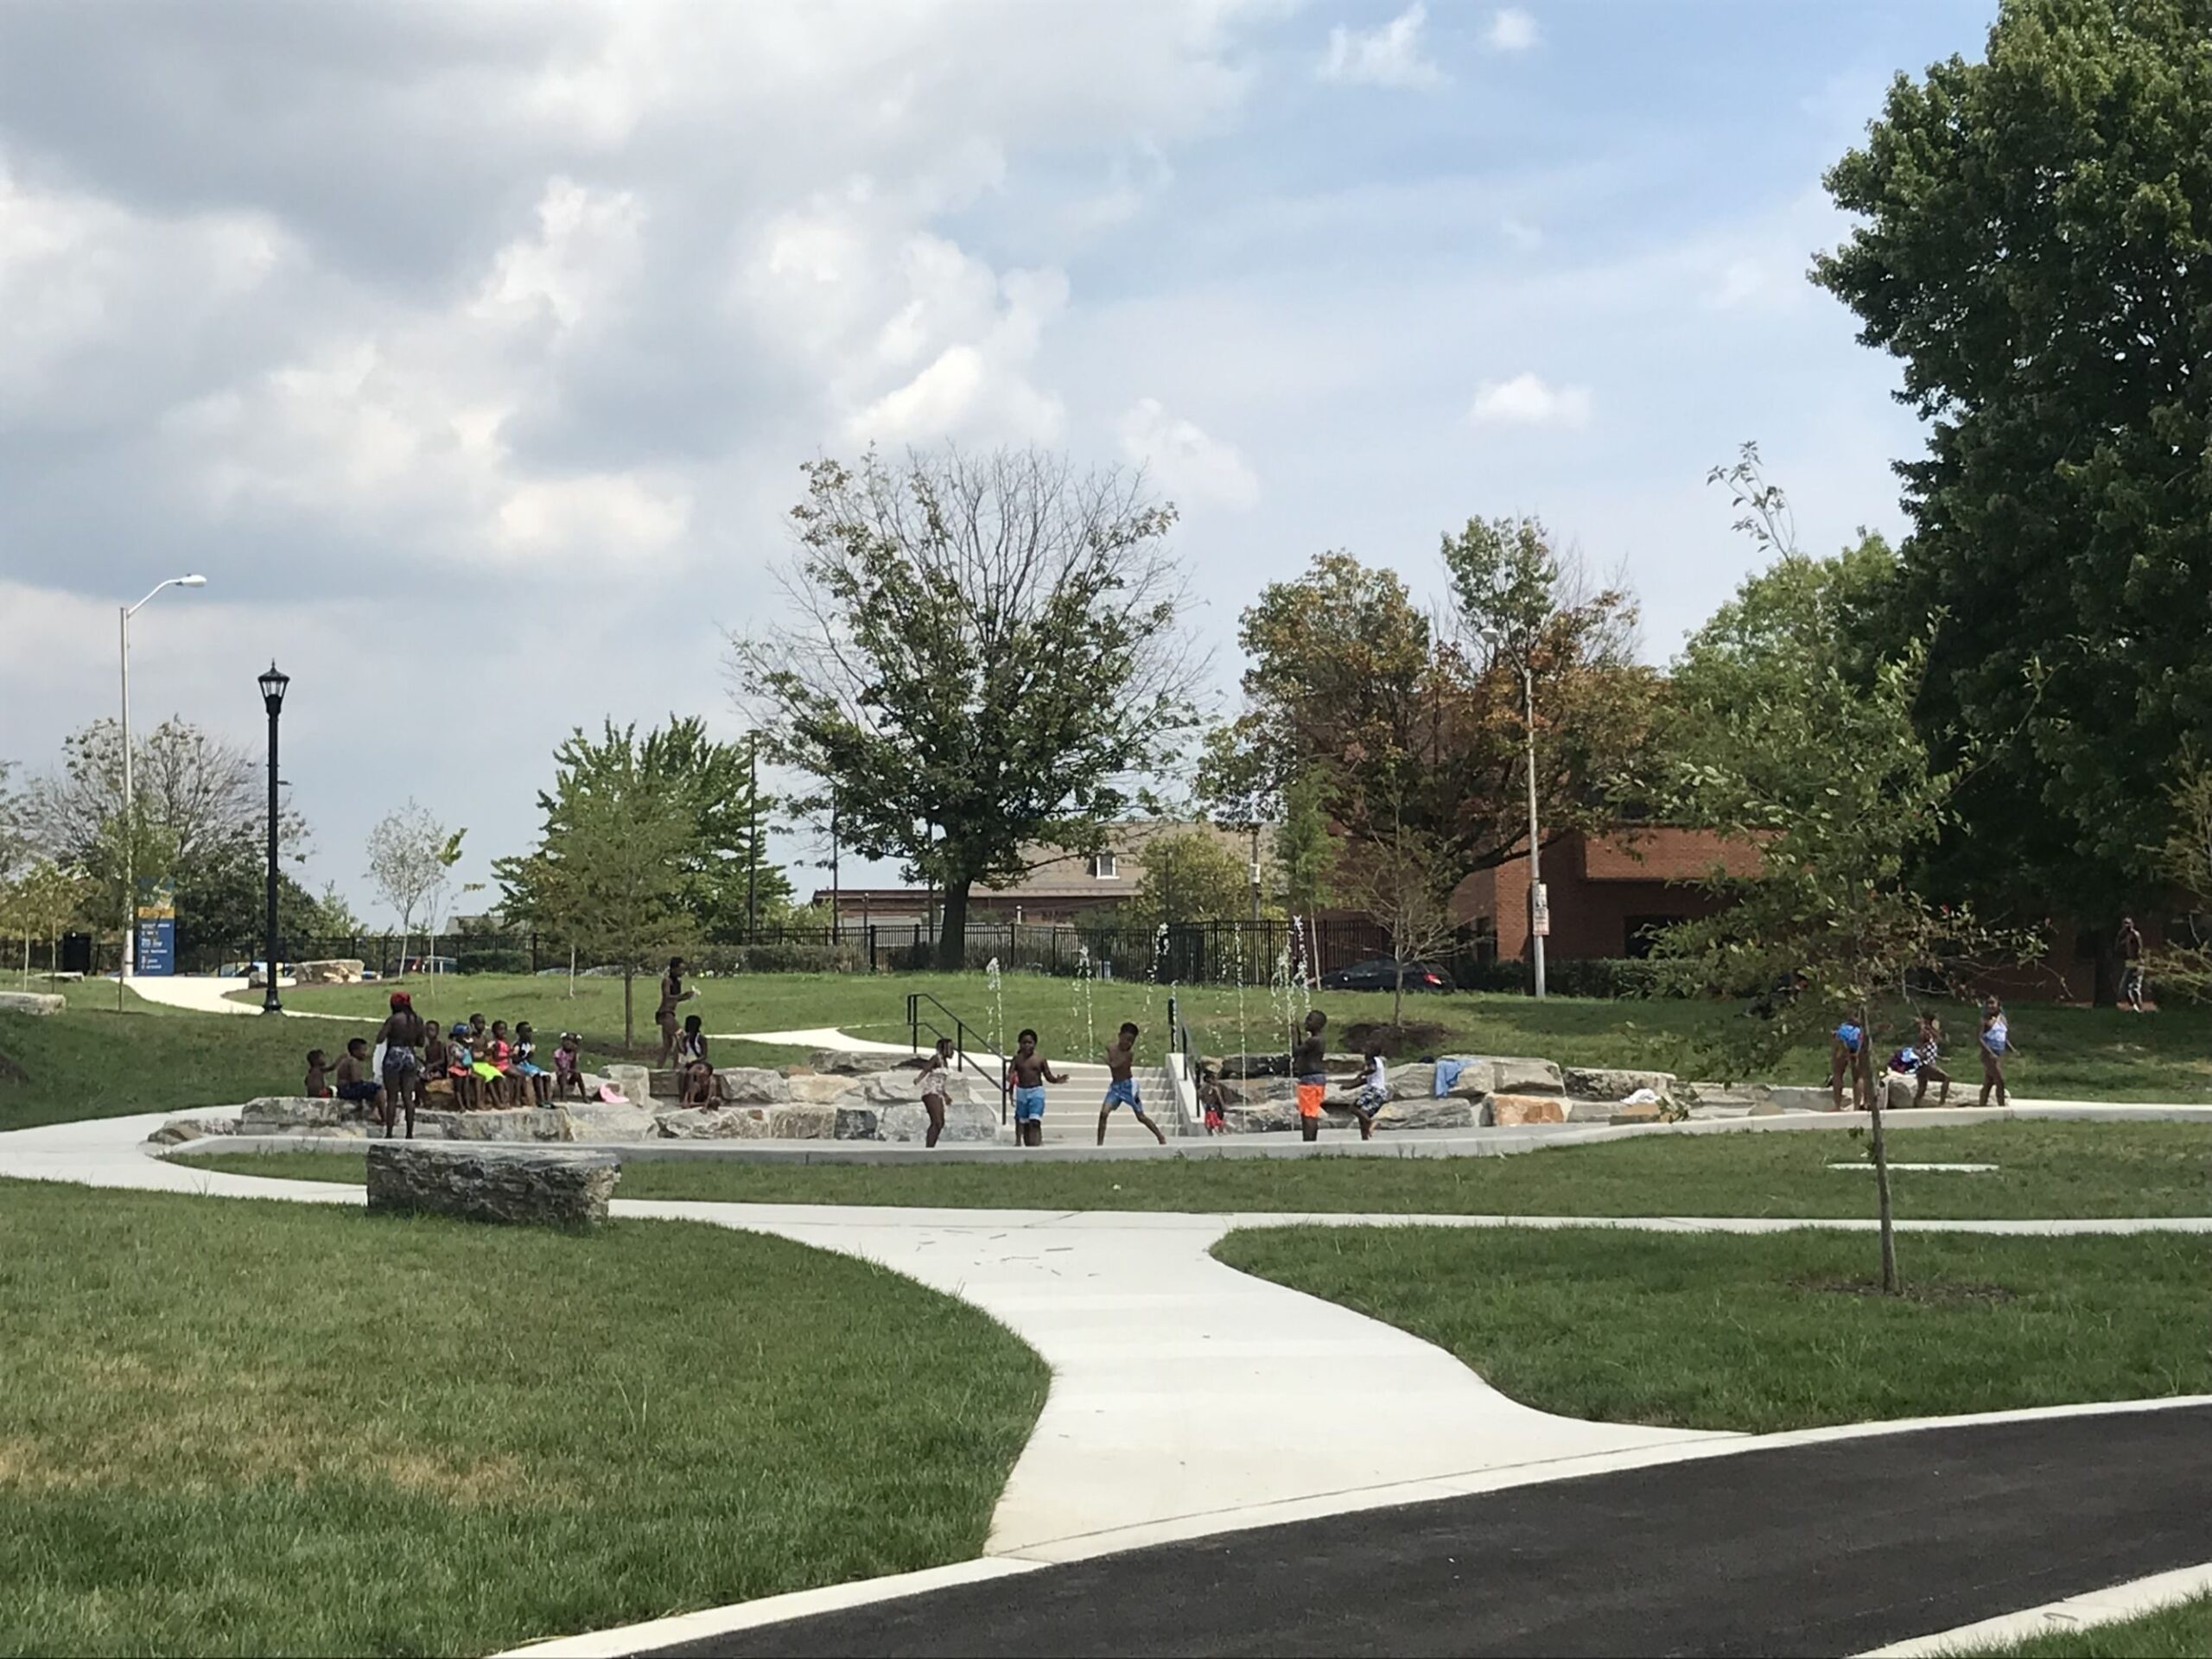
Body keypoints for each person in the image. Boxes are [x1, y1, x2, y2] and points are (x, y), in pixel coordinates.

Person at [1097, 1022, 1168, 1146]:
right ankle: (1099, 1144)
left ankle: (1160, 1136)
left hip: (1129, 1086)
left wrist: (1106, 1060)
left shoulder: (1129, 1054)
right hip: (1115, 1087)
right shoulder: (1111, 1048)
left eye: (1132, 1041)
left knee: (1140, 1116)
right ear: (1119, 1036)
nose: (1129, 1044)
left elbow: (1116, 1065)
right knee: (1103, 1113)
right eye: (1127, 1040)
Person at [1004, 1028, 1067, 1149]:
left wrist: (1057, 1080)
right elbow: (1010, 1073)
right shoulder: (1017, 1059)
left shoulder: (1040, 1060)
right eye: (1024, 1043)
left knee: (1035, 1120)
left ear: (1035, 1044)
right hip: (1022, 1092)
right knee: (1020, 1120)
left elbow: (1048, 1076)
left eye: (1030, 1043)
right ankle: (1018, 1141)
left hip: (1036, 1092)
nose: (1027, 1045)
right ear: (1020, 1044)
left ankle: (1038, 1142)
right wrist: (1010, 1078)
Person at [373, 990, 426, 1132]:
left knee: (392, 1098)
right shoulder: (418, 1020)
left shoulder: (394, 1019)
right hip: (409, 1055)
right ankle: (409, 1132)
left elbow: (380, 1038)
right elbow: (421, 1042)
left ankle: (389, 1132)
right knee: (408, 1097)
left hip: (394, 1054)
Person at [899, 1036, 957, 1147]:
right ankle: (928, 1148)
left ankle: (931, 1146)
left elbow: (940, 1081)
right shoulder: (936, 1058)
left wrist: (945, 1095)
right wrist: (918, 1079)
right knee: (937, 1121)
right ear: (944, 1049)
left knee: (940, 1123)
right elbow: (926, 1069)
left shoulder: (945, 1063)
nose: (953, 1051)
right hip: (930, 1092)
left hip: (938, 1092)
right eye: (951, 1048)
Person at [334, 1037, 388, 1123]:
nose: (366, 1053)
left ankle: (374, 1112)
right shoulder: (353, 1061)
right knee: (378, 1089)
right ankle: (384, 1118)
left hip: (344, 1089)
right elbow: (355, 1081)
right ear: (355, 1051)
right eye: (364, 1050)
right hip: (347, 1089)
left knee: (372, 1087)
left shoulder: (349, 1060)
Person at [1294, 1009, 1329, 1142]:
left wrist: (1292, 1035)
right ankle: (1310, 1140)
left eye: (1310, 1020)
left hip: (1310, 1079)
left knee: (1308, 1115)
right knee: (1311, 1112)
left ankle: (1308, 1141)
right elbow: (1303, 1049)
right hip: (1317, 1079)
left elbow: (1296, 1051)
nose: (1306, 1022)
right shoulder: (1317, 1040)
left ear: (1318, 1024)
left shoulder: (1314, 1041)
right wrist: (1297, 1033)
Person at [655, 957, 695, 1066]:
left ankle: (659, 1068)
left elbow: (676, 998)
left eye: (683, 970)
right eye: (679, 970)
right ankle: (676, 1067)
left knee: (667, 1045)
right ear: (673, 969)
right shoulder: (667, 981)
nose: (681, 972)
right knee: (681, 1037)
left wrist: (686, 997)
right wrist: (682, 996)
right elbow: (667, 997)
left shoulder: (678, 982)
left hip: (670, 1013)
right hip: (665, 1013)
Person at [1828, 1017, 1872, 1112]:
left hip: (1843, 1033)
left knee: (1837, 1073)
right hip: (1859, 1034)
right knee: (1859, 1075)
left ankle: (1837, 1106)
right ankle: (1858, 1106)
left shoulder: (1841, 1007)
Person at [1910, 1013, 1951, 1107]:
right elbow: (1917, 1047)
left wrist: (1941, 1059)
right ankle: (1942, 1103)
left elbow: (1929, 1051)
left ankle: (1915, 1107)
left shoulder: (1929, 1035)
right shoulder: (1926, 1033)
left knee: (1922, 1089)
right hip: (1926, 1064)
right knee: (1946, 1078)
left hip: (1922, 1065)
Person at [1351, 1039, 1389, 1141]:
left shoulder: (1372, 1060)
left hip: (1374, 1090)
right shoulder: (1379, 1062)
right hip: (1380, 1092)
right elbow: (1366, 1081)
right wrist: (1349, 1086)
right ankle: (1365, 1138)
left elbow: (1372, 1069)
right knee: (1362, 1114)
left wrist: (1361, 1074)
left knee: (1354, 1107)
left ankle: (1370, 1122)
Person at [1978, 996, 2011, 1108]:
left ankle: (1982, 1106)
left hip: (1999, 1053)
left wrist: (2011, 1049)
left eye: (1993, 1003)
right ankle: (2002, 1107)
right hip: (1989, 1055)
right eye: (1988, 1003)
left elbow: (2004, 1038)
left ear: (1998, 1005)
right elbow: (1980, 1039)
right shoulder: (1985, 1021)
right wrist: (1990, 1052)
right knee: (2000, 1081)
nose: (1990, 1006)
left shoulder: (2003, 1020)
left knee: (1989, 1082)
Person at [513, 1020, 550, 1106]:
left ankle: (548, 1100)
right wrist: (525, 1056)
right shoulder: (518, 1045)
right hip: (520, 1066)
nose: (529, 1034)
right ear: (519, 1033)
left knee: (546, 1076)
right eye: (526, 1032)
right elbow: (514, 1059)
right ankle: (540, 1099)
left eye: (530, 1031)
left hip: (528, 1065)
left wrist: (530, 1056)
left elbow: (529, 1060)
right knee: (536, 1076)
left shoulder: (530, 1045)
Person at [2117, 918, 2146, 1012]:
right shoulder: (2126, 936)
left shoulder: (2135, 934)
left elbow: (2139, 948)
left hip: (2136, 962)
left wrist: (2137, 963)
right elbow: (2118, 946)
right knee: (2125, 988)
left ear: (2132, 924)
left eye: (2128, 924)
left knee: (2134, 988)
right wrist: (2120, 935)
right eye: (2124, 924)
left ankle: (2139, 1009)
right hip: (2130, 962)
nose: (2126, 926)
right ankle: (2135, 1008)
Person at [551, 1032, 587, 1102]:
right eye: (566, 1040)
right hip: (561, 1075)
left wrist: (575, 1052)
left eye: (571, 1041)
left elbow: (574, 1066)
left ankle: (584, 1096)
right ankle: (563, 1097)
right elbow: (557, 1066)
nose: (568, 1043)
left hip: (570, 1075)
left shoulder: (574, 1053)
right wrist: (561, 1071)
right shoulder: (558, 1053)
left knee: (577, 1074)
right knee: (564, 1074)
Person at [1198, 1065, 1230, 1135]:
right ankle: (1220, 1132)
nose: (1217, 1081)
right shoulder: (1214, 1088)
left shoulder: (1204, 1087)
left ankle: (1212, 1133)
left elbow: (1200, 1095)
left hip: (1209, 1107)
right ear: (1210, 1079)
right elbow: (1219, 1097)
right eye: (1215, 1079)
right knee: (1217, 1120)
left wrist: (1204, 1101)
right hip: (1215, 1107)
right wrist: (1223, 1105)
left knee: (1210, 1121)